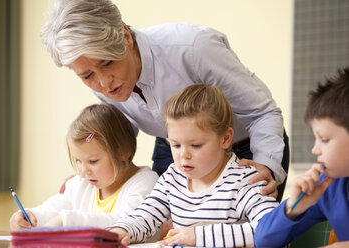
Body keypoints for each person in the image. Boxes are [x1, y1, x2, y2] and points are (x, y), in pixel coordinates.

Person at [40, 0, 290, 201]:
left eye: (107, 63)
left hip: (249, 145)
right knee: (165, 231)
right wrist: (88, 168)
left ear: (125, 37)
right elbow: (120, 133)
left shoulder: (193, 48)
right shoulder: (100, 81)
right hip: (172, 147)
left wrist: (265, 164)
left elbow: (263, 113)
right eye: (87, 75)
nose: (104, 83)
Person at [109, 84, 279, 247]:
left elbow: (273, 230)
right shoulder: (172, 177)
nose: (184, 155)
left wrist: (198, 236)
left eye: (196, 145)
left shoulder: (246, 181)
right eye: (175, 145)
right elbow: (146, 214)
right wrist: (123, 230)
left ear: (225, 139)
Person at [9, 103, 158, 230]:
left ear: (124, 152)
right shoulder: (81, 184)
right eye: (78, 161)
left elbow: (126, 222)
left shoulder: (146, 183)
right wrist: (29, 216)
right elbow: (50, 211)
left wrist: (68, 220)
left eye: (93, 161)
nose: (82, 171)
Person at [254, 68, 349, 247]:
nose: (315, 149)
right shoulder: (328, 187)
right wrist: (293, 208)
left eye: (324, 139)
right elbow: (263, 240)